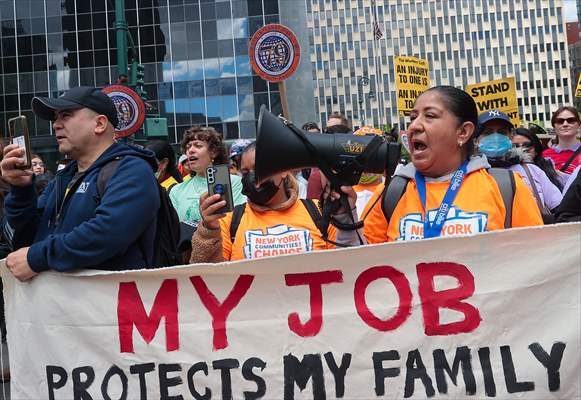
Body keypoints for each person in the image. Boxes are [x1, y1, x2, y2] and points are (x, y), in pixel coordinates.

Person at [1, 86, 160, 281]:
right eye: (55, 118)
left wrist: (37, 257)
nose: (55, 125)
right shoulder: (62, 179)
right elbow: (25, 239)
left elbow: (108, 234)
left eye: (65, 115)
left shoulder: (132, 170)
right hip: (59, 307)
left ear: (100, 124)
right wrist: (21, 190)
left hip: (109, 307)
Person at [362, 86, 543, 243]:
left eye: (430, 116)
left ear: (463, 132)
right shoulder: (391, 192)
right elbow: (358, 263)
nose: (414, 126)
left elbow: (534, 260)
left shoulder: (506, 187)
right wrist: (345, 215)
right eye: (413, 118)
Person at [190, 143, 363, 262]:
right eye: (245, 171)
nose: (252, 178)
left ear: (284, 171)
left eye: (259, 169)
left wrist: (346, 217)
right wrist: (208, 230)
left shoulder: (319, 211)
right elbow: (208, 280)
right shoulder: (229, 220)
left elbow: (351, 266)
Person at [475, 110, 562, 219]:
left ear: (510, 137)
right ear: (476, 139)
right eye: (488, 132)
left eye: (502, 132)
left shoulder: (531, 171)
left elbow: (560, 209)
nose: (496, 137)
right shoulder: (468, 174)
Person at [169, 126, 245, 229]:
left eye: (198, 146)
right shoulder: (176, 190)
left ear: (213, 152)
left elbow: (234, 221)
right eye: (188, 147)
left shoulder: (235, 182)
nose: (191, 150)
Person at [512, 126, 564, 191]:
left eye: (527, 145)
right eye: (515, 146)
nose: (522, 149)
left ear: (536, 149)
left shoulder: (549, 169)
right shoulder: (506, 171)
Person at [543, 106, 581, 176]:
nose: (565, 124)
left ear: (579, 125)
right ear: (554, 127)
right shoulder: (544, 156)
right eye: (560, 121)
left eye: (571, 120)